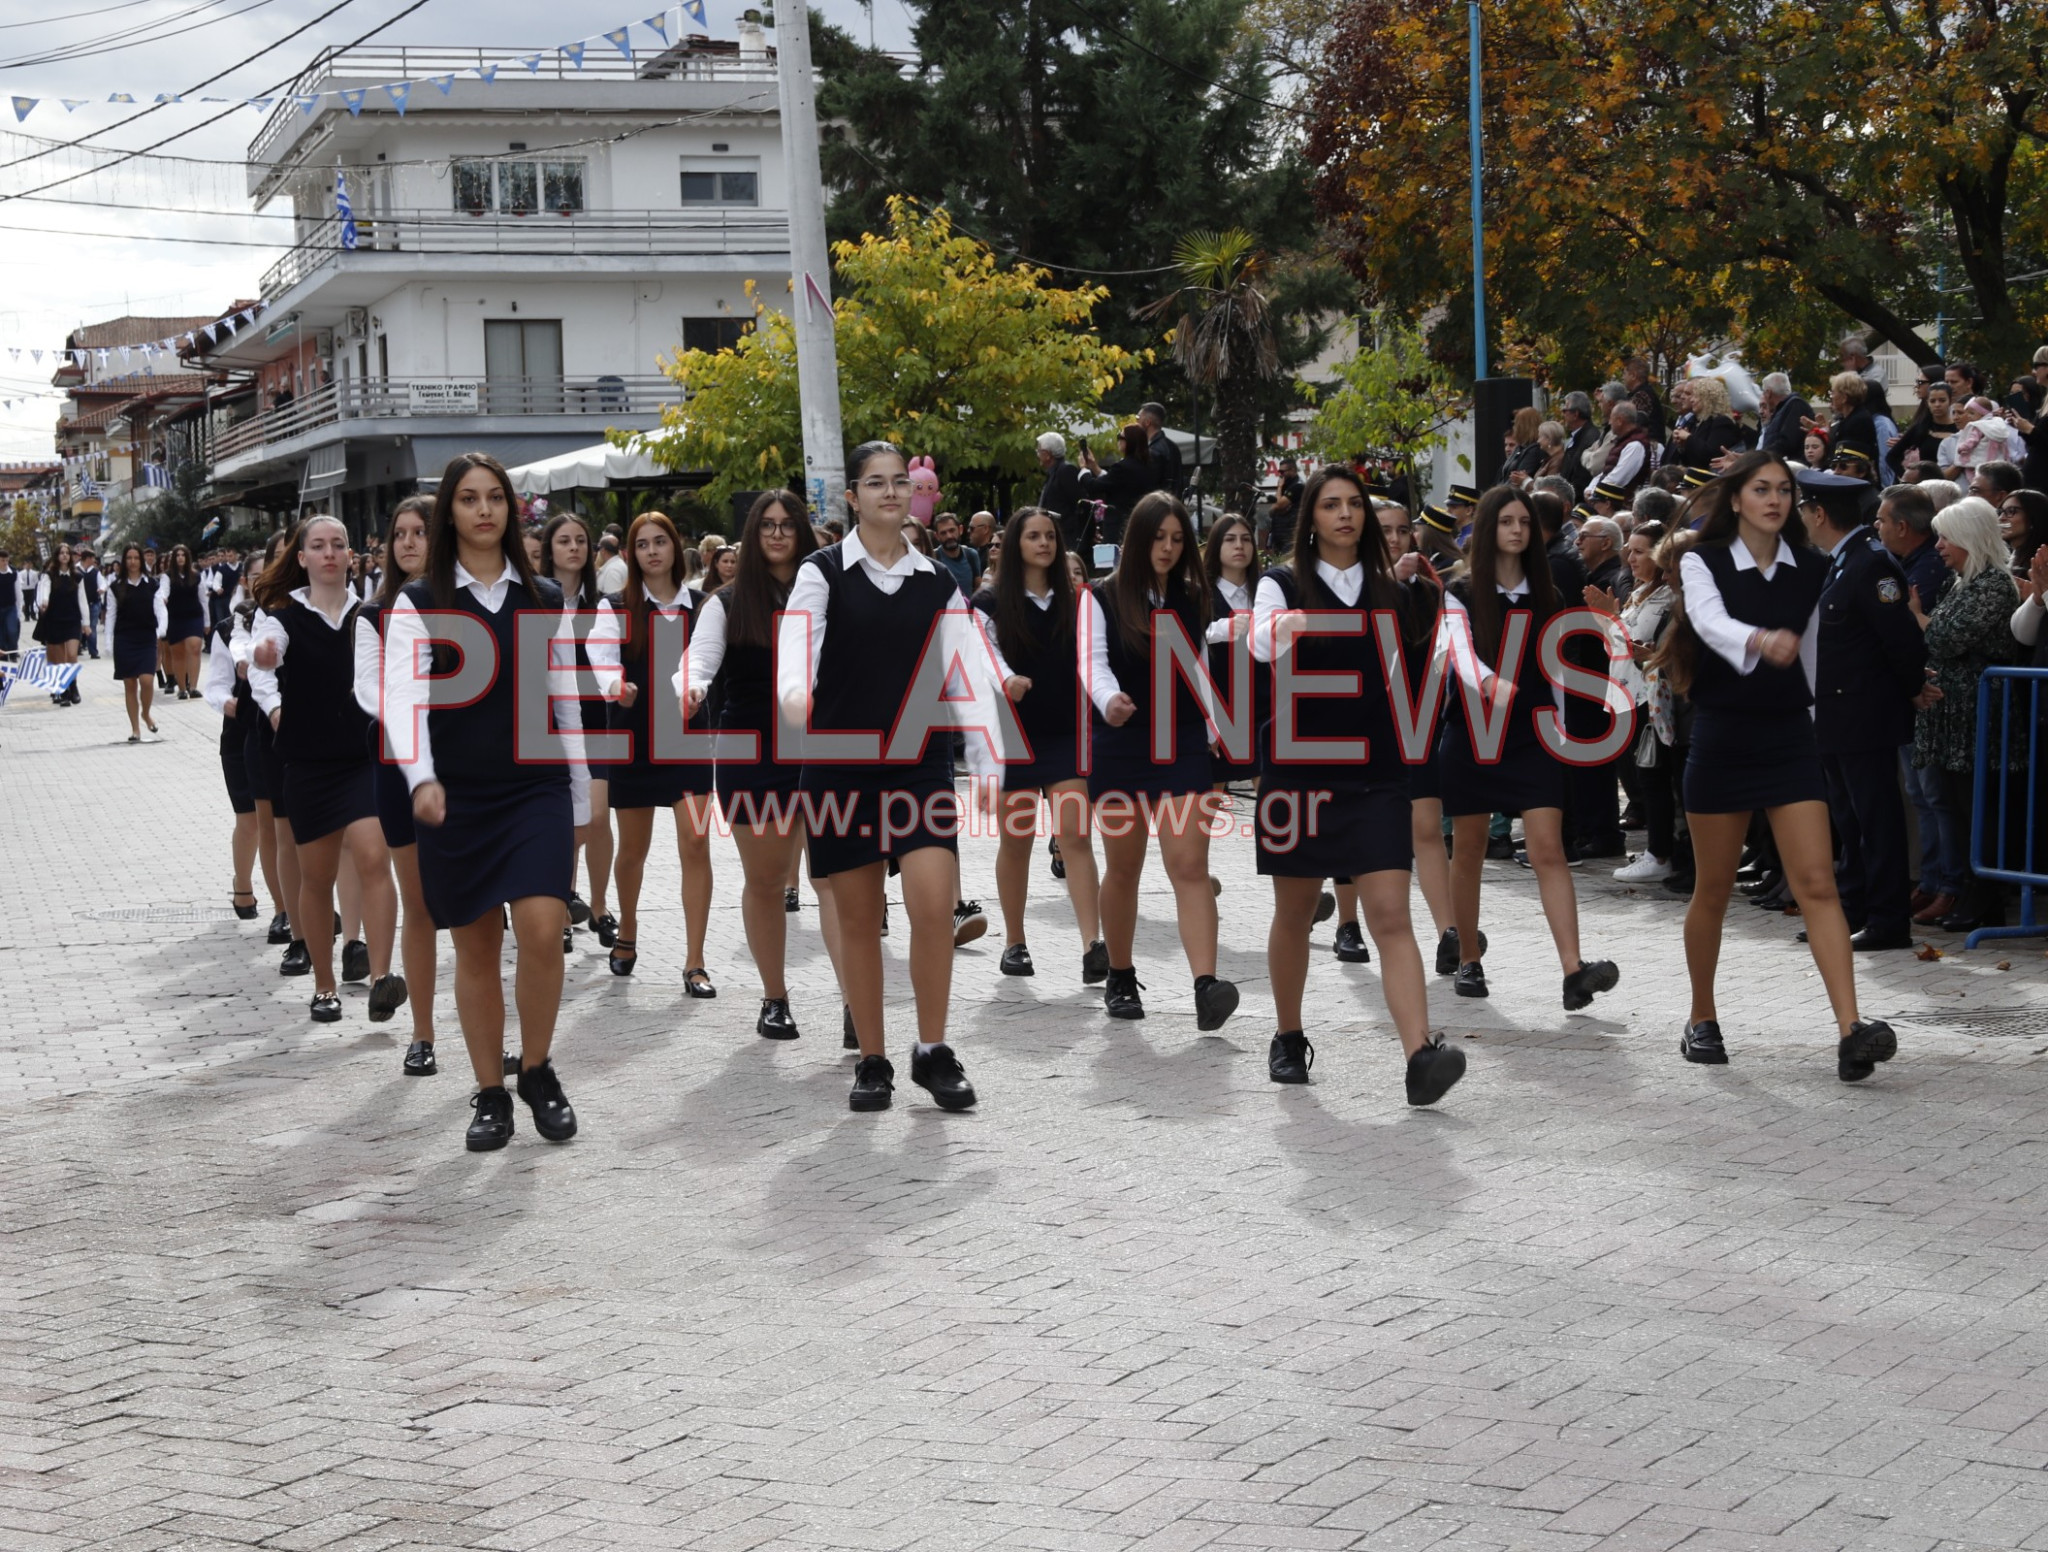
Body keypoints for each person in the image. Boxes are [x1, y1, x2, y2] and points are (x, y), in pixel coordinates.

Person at [1655, 451, 1897, 1078]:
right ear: (1735, 499)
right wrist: (1761, 640)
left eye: (1784, 490)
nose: (1775, 500)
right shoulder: (1699, 559)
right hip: (1722, 738)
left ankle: (1850, 1030)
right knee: (1713, 888)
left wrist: (1818, 727)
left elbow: (1813, 656)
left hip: (1789, 739)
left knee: (1817, 882)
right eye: (1761, 489)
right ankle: (1701, 1018)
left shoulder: (1812, 568)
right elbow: (1708, 622)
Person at [776, 439, 996, 1112]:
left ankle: (932, 1049)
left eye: (901, 482)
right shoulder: (821, 573)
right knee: (860, 919)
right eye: (876, 483)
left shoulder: (940, 583)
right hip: (841, 765)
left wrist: (989, 760)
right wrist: (794, 696)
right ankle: (872, 1058)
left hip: (920, 764)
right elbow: (798, 645)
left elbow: (969, 675)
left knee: (933, 908)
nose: (891, 493)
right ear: (853, 496)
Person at [382, 451, 587, 1152]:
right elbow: (403, 706)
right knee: (475, 946)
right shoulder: (418, 603)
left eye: (494, 496)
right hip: (456, 798)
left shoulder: (546, 599)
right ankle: (490, 1093)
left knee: (540, 927)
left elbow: (563, 699)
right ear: (450, 513)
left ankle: (535, 1068)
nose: (484, 509)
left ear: (509, 507)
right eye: (468, 498)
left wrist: (583, 791)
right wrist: (421, 779)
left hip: (536, 787)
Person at [1251, 467, 1464, 1102]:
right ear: (1310, 518)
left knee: (1391, 916)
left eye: (1353, 506)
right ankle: (1288, 1034)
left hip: (1377, 771)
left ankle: (1419, 1053)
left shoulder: (1394, 591)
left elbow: (1446, 644)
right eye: (1331, 505)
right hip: (1298, 769)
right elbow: (1260, 640)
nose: (1345, 514)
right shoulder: (1280, 583)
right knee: (1294, 912)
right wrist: (1280, 629)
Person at [1437, 487, 1621, 1011]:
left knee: (1548, 849)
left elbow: (1559, 671)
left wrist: (1564, 731)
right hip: (1473, 731)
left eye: (1524, 522)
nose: (1517, 530)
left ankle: (1573, 970)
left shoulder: (1550, 595)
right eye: (1506, 521)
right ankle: (1469, 959)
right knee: (1468, 850)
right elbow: (1458, 653)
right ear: (1488, 528)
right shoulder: (1459, 590)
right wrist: (1490, 682)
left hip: (1532, 735)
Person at [1082, 490, 1239, 1031]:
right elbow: (1092, 663)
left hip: (1183, 744)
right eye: (1158, 537)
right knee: (1124, 867)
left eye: (1177, 539)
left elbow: (1201, 664)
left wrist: (1218, 724)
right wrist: (1109, 701)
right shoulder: (1098, 597)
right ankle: (1120, 974)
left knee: (1190, 867)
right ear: (1136, 538)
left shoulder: (1197, 597)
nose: (1168, 548)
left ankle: (1205, 985)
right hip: (1121, 746)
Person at [681, 490, 830, 1041]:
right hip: (753, 751)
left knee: (833, 879)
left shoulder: (830, 590)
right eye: (765, 524)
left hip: (828, 747)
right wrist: (692, 686)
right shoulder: (725, 601)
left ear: (802, 530)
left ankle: (853, 1001)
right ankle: (774, 997)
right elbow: (700, 657)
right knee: (766, 882)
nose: (776, 533)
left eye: (787, 523)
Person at [248, 515, 403, 1026]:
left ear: (352, 555)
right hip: (308, 764)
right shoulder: (281, 614)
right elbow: (262, 662)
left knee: (374, 856)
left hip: (362, 758)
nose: (330, 553)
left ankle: (382, 978)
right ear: (302, 558)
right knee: (315, 879)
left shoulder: (370, 612)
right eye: (319, 546)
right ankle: (324, 985)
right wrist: (270, 692)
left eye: (339, 544)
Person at [972, 507, 1107, 985]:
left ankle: (1094, 944)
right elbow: (984, 653)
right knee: (1018, 840)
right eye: (1034, 536)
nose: (1045, 543)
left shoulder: (1080, 599)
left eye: (1050, 535)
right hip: (1012, 739)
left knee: (1076, 837)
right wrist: (1007, 679)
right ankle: (1015, 942)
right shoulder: (989, 602)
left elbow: (1096, 659)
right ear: (1017, 545)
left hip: (1067, 734)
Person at [589, 511, 718, 992]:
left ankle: (695, 960)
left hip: (687, 739)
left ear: (674, 546)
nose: (652, 551)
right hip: (633, 739)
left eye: (660, 541)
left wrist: (698, 690)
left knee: (697, 842)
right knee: (633, 850)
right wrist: (616, 686)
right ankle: (628, 928)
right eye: (642, 544)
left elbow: (707, 661)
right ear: (631, 554)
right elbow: (600, 659)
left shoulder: (704, 606)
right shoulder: (614, 608)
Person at [1799, 468, 1927, 951]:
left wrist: (1914, 688)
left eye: (1806, 510)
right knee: (1848, 822)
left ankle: (1888, 919)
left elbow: (1899, 641)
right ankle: (1850, 910)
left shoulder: (1870, 564)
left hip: (1864, 716)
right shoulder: (1840, 560)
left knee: (1875, 822)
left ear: (1819, 513)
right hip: (1834, 716)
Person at [351, 496, 440, 1074]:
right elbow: (372, 692)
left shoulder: (471, 604)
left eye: (420, 532)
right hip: (399, 768)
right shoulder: (371, 614)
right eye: (399, 533)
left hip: (474, 768)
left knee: (482, 912)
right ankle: (424, 1033)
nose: (407, 542)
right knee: (422, 906)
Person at [1909, 497, 2024, 932]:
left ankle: (1983, 898)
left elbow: (1946, 636)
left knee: (1979, 809)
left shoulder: (1995, 584)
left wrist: (1919, 617)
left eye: (1946, 537)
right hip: (1949, 714)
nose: (1938, 545)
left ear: (1970, 538)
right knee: (1954, 806)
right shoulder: (1959, 582)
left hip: (1980, 716)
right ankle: (1960, 891)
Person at [1587, 523, 1680, 881]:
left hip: (1652, 698)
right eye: (1631, 550)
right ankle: (1658, 850)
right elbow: (1617, 647)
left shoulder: (1666, 599)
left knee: (1654, 777)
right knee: (1645, 776)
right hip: (1630, 693)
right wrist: (1607, 616)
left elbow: (1638, 646)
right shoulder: (1641, 593)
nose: (1631, 558)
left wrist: (1608, 616)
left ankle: (1661, 855)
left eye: (1640, 551)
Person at [539, 513, 615, 948]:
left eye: (581, 540)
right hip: (549, 723)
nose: (573, 547)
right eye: (564, 540)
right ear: (549, 549)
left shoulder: (601, 604)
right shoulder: (534, 600)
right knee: (562, 823)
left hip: (596, 720)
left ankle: (600, 907)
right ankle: (562, 907)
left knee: (597, 817)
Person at [199, 579, 275, 926]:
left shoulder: (293, 619)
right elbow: (215, 683)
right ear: (246, 582)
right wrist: (225, 702)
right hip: (240, 731)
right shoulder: (228, 629)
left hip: (279, 732)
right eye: (258, 574)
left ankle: (288, 904)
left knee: (283, 824)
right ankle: (242, 883)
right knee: (250, 821)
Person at [1203, 513, 1264, 791]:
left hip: (1263, 708)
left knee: (1275, 802)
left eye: (1245, 539)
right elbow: (1182, 639)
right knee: (1209, 801)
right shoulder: (1199, 594)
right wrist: (1220, 630)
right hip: (1218, 708)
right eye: (1230, 540)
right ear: (1216, 546)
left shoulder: (1267, 592)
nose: (1239, 546)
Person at [104, 544, 165, 742]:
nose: (132, 562)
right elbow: (111, 615)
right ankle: (135, 729)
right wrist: (108, 641)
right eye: (128, 558)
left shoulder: (152, 584)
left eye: (136, 558)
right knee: (130, 684)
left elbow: (160, 609)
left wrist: (161, 630)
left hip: (147, 637)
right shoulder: (115, 586)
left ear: (141, 560)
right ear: (124, 561)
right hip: (124, 639)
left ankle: (146, 714)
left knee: (147, 681)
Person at [1077, 425, 1157, 546]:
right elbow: (1113, 481)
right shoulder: (1147, 465)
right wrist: (1094, 467)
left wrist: (1084, 469)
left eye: (1120, 437)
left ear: (1130, 441)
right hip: (1141, 522)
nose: (1118, 440)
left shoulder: (1122, 467)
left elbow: (1093, 486)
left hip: (1118, 527)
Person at [32, 544, 86, 705]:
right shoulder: (49, 575)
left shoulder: (77, 576)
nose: (64, 556)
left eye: (67, 553)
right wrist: (44, 602)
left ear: (70, 557)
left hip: (72, 620)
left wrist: (87, 623)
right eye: (61, 553)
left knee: (71, 655)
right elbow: (44, 591)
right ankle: (63, 690)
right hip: (54, 620)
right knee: (59, 659)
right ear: (57, 556)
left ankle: (73, 686)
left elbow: (82, 600)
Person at [156, 544, 206, 699]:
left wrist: (208, 622)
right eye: (177, 555)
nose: (180, 558)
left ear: (187, 557)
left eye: (183, 555)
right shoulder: (167, 576)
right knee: (178, 653)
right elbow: (163, 590)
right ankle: (182, 689)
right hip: (175, 618)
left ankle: (194, 686)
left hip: (194, 616)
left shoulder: (196, 576)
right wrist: (163, 597)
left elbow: (203, 599)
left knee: (195, 647)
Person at [1036, 432, 1086, 549]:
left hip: (1067, 537)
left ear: (1047, 454)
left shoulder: (1066, 470)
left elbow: (1080, 503)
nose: (1037, 454)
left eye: (1039, 451)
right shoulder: (1053, 473)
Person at [1757, 373, 1814, 462]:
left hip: (1792, 468)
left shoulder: (1795, 405)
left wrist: (1759, 459)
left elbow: (1787, 442)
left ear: (1768, 393)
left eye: (1763, 392)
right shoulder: (1784, 409)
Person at [929, 511, 983, 597]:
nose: (949, 536)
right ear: (937, 536)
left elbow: (978, 587)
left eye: (952, 530)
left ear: (960, 530)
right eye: (943, 533)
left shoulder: (971, 555)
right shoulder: (932, 558)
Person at [1137, 401, 1183, 497]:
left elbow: (1149, 485)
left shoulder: (1153, 451)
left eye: (1138, 418)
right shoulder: (1173, 447)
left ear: (1147, 422)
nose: (1136, 422)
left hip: (1157, 505)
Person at [1267, 458, 1304, 552]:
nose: (1281, 475)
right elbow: (1275, 508)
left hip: (1289, 535)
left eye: (1283, 472)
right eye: (1279, 471)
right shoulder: (1286, 486)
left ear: (1292, 470)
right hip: (1279, 535)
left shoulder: (1297, 486)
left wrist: (1279, 487)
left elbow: (1278, 505)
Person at [595, 532, 628, 597]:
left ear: (603, 550)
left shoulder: (612, 571)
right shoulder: (617, 565)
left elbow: (612, 602)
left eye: (599, 548)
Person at [0, 550, 20, 656]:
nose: (5, 563)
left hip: (10, 607)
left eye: (7, 560)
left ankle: (13, 652)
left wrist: (19, 610)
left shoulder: (13, 573)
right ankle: (2, 655)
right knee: (1, 635)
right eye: (2, 560)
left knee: (12, 631)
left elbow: (18, 593)